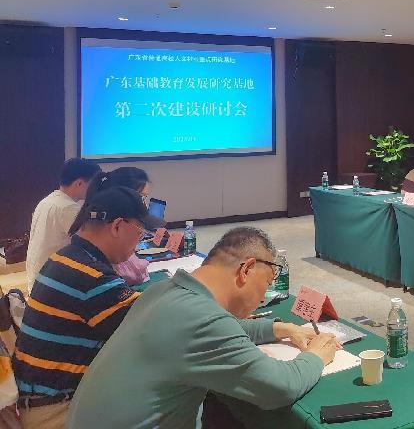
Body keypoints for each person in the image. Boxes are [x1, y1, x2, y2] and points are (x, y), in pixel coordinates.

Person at [66, 227, 341, 428]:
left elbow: (222, 329)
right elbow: (279, 388)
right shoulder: (202, 320)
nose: (261, 300)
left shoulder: (163, 291)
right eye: (266, 285)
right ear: (246, 270)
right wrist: (316, 355)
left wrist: (281, 329)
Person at [13, 186, 163, 428]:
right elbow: (153, 324)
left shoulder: (66, 257)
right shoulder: (91, 276)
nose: (139, 241)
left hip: (42, 401)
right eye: (141, 232)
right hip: (58, 412)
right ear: (117, 226)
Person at [25, 158, 101, 292]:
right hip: (52, 284)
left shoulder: (47, 200)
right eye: (94, 184)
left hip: (37, 278)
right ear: (79, 183)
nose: (95, 189)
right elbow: (94, 244)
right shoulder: (68, 208)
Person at [68, 168, 153, 285]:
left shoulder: (86, 231)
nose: (145, 205)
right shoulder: (101, 274)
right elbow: (136, 274)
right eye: (141, 197)